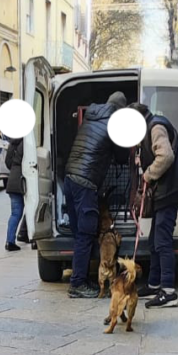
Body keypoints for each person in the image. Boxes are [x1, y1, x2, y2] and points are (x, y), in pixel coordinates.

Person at [64, 91, 127, 298]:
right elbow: (121, 156)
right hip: (86, 182)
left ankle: (83, 276)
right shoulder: (115, 123)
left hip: (70, 177)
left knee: (78, 233)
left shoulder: (91, 116)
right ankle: (77, 283)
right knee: (86, 233)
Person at [129, 102, 178, 309]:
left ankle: (168, 292)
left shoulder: (155, 128)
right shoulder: (151, 127)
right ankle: (154, 284)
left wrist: (147, 175)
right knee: (155, 240)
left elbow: (166, 156)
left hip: (169, 191)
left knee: (162, 241)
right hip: (164, 192)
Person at [5, 137, 25, 251]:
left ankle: (10, 240)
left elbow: (8, 163)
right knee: (29, 210)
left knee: (15, 213)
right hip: (23, 179)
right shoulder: (26, 143)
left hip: (12, 180)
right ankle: (25, 235)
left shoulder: (12, 143)